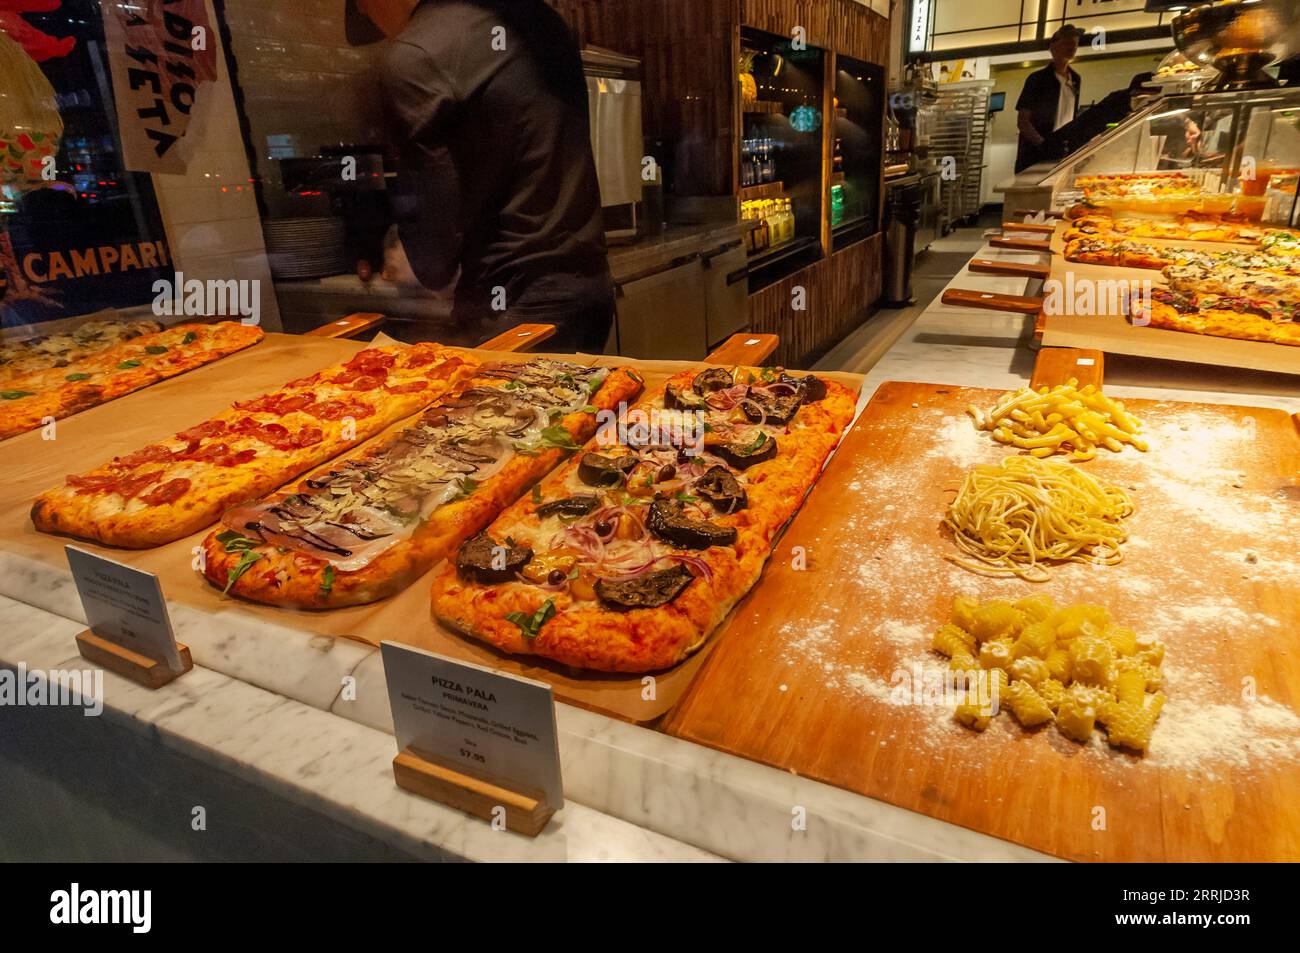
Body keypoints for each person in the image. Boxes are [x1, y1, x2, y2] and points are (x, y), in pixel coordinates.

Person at [348, 0, 614, 352]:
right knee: (583, 390)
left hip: (512, 303)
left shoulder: (415, 54)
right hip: (591, 290)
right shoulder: (541, 19)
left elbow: (434, 260)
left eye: (365, 11)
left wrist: (404, 255)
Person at [1014, 25, 1085, 173]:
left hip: (1062, 149)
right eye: (1067, 42)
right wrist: (1042, 144)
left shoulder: (1075, 79)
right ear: (1053, 46)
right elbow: (1023, 120)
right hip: (1035, 154)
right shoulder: (1037, 79)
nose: (1072, 46)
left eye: (1075, 43)